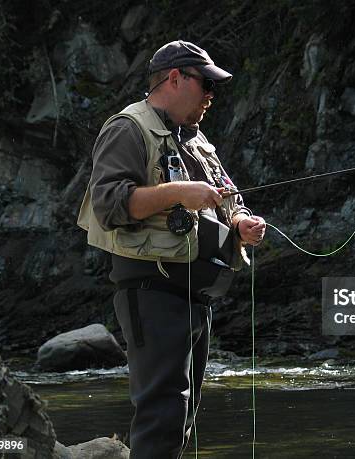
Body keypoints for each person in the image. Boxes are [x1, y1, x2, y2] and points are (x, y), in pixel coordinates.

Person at [77, 40, 266, 458]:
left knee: (180, 420)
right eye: (206, 85)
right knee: (161, 416)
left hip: (194, 296)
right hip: (151, 292)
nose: (211, 96)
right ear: (175, 78)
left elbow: (229, 200)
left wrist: (241, 224)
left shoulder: (196, 140)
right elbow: (109, 204)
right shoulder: (127, 129)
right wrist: (177, 192)